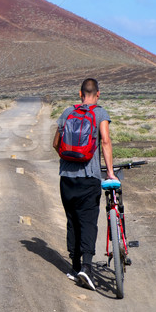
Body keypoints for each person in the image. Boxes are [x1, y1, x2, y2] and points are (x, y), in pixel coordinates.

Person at [52, 78, 117, 291]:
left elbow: (55, 143)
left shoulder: (66, 112)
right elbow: (105, 141)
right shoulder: (100, 113)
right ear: (97, 94)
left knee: (72, 220)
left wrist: (67, 161)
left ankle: (74, 267)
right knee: (88, 221)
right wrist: (108, 172)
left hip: (67, 178)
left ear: (80, 94)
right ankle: (87, 268)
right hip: (89, 177)